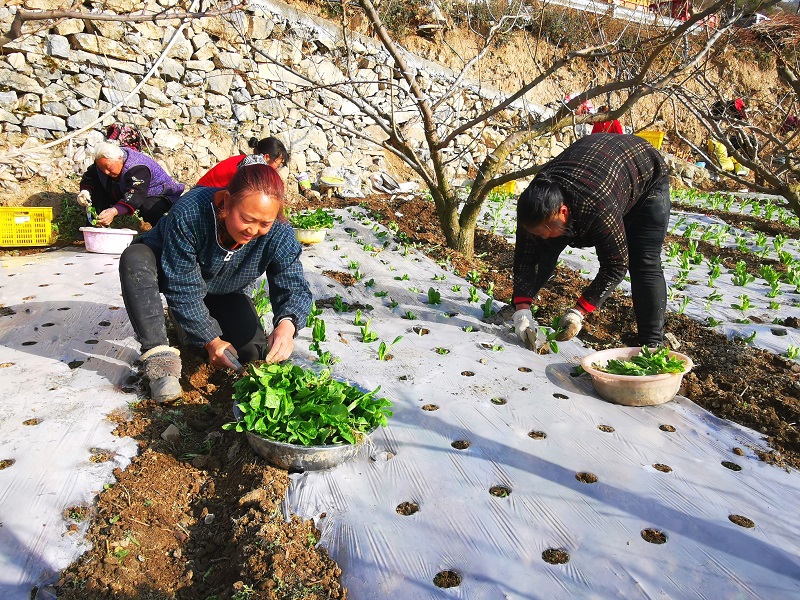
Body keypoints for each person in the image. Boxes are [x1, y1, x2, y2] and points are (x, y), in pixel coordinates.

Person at [118, 163, 312, 403]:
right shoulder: (191, 212)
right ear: (228, 201)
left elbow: (293, 281)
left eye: (265, 223)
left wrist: (287, 324)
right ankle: (161, 361)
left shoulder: (279, 233)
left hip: (223, 289)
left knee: (252, 353)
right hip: (168, 272)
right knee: (135, 258)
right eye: (247, 219)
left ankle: (186, 324)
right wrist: (212, 340)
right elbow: (182, 286)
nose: (253, 230)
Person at [512, 133, 670, 351]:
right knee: (541, 249)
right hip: (597, 165)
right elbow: (525, 259)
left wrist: (579, 311)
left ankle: (652, 342)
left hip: (644, 173)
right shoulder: (533, 207)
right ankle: (522, 307)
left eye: (549, 228)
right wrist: (521, 309)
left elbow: (615, 266)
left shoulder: (598, 206)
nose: (545, 234)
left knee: (644, 261)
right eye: (538, 231)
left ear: (564, 212)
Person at [77, 141, 185, 227]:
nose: (105, 172)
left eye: (109, 168)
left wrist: (114, 211)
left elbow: (136, 195)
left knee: (149, 208)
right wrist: (85, 191)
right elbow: (90, 176)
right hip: (125, 188)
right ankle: (95, 228)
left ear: (120, 159)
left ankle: (162, 232)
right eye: (102, 168)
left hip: (156, 193)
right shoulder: (104, 161)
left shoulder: (137, 168)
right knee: (96, 193)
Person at [196, 136, 289, 188]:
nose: (277, 168)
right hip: (205, 195)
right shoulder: (251, 166)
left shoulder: (246, 160)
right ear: (267, 157)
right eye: (278, 164)